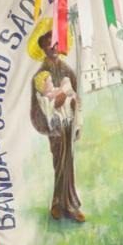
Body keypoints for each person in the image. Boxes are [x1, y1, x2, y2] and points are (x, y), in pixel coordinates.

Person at [28, 25, 84, 223]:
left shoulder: (68, 71)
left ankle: (70, 204)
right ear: (42, 46)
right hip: (55, 127)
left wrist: (73, 108)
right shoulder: (39, 76)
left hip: (68, 123)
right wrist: (50, 124)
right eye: (47, 43)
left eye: (55, 43)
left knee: (68, 164)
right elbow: (37, 107)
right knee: (59, 163)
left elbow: (76, 97)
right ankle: (58, 203)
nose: (52, 47)